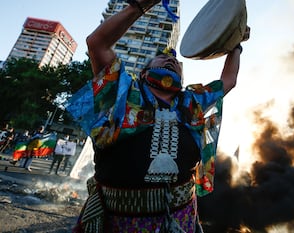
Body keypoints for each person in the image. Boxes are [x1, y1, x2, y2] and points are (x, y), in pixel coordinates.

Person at [67, 0, 249, 232]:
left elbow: (228, 81)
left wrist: (236, 44)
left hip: (179, 218)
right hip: (118, 219)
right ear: (144, 72)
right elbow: (97, 44)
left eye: (176, 62)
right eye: (162, 57)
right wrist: (139, 6)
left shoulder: (191, 101)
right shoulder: (124, 91)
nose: (171, 58)